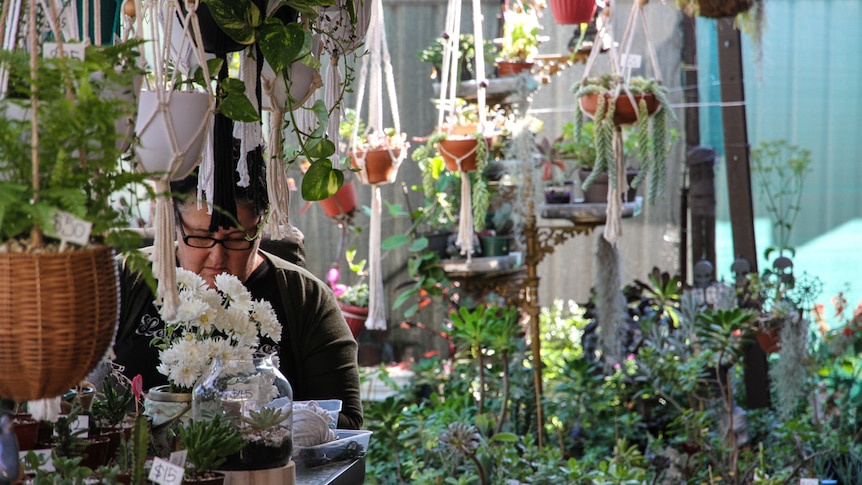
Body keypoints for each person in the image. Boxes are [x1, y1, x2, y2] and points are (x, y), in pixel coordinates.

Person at [112, 176, 363, 429]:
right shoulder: (124, 280)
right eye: (200, 237)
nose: (217, 257)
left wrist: (255, 421)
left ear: (260, 226)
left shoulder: (304, 298)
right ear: (173, 223)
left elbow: (346, 420)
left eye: (236, 239)